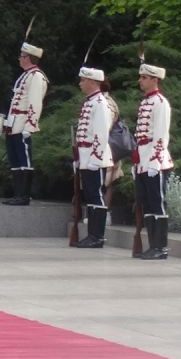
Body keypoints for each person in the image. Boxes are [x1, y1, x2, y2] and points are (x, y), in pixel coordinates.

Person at [72, 62, 116, 248]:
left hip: (94, 157)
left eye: (83, 80)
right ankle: (92, 235)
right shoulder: (90, 102)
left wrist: (95, 159)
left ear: (92, 82)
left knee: (95, 195)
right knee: (90, 195)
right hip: (86, 155)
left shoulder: (99, 103)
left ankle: (97, 236)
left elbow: (101, 133)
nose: (80, 83)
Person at [133, 60, 174, 259]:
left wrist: (155, 161)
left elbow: (161, 135)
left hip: (154, 159)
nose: (140, 81)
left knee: (157, 202)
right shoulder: (146, 102)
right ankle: (152, 246)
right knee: (147, 203)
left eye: (144, 77)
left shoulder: (160, 103)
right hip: (143, 158)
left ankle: (160, 247)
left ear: (155, 80)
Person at [2, 39, 48, 206]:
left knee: (24, 159)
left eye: (21, 56)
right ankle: (17, 194)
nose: (19, 59)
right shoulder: (26, 75)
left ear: (28, 58)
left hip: (23, 123)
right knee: (15, 159)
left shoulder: (36, 76)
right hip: (14, 123)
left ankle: (24, 196)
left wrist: (30, 125)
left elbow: (35, 103)